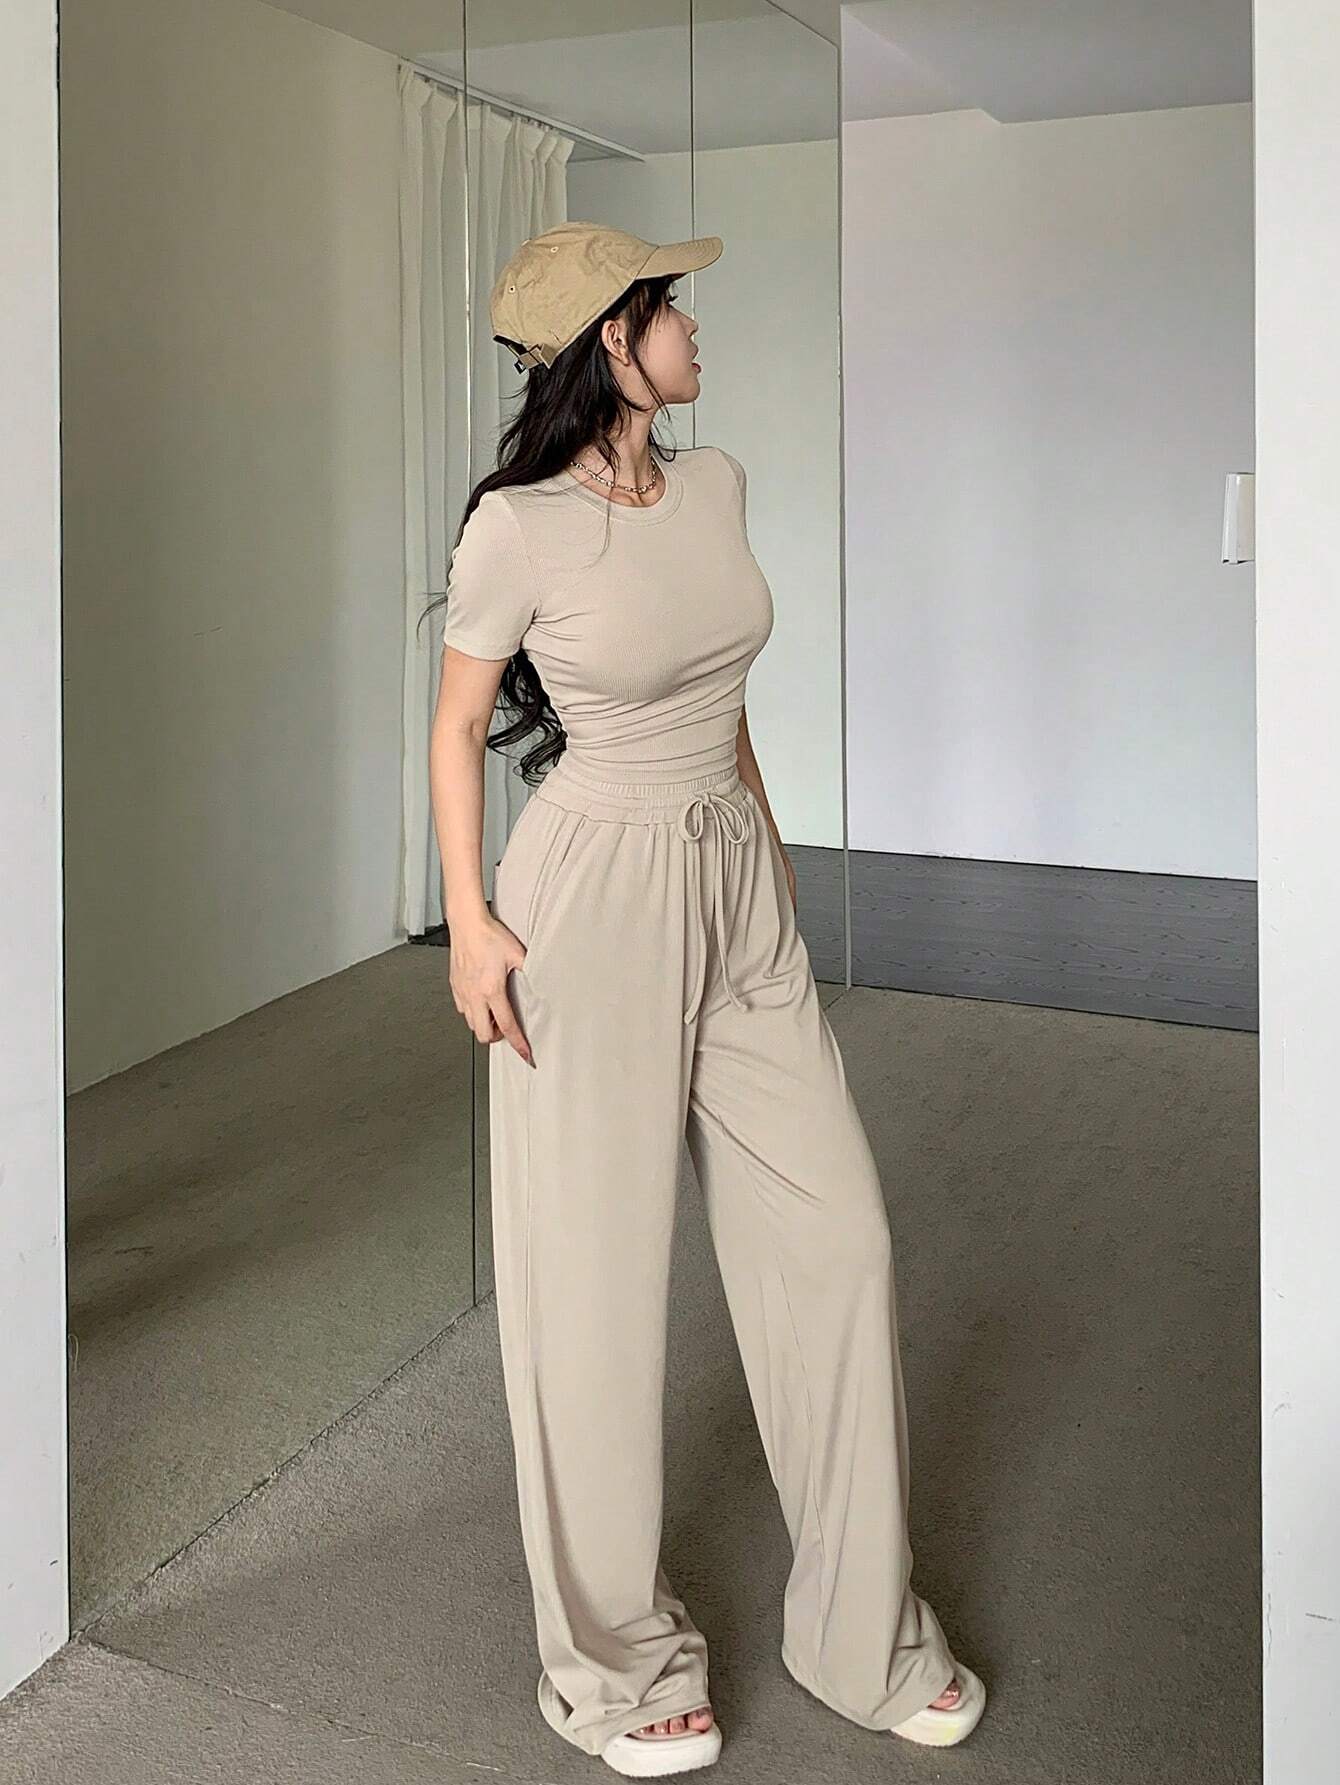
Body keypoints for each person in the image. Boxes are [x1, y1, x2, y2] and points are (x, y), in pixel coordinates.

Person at [425, 221, 986, 1777]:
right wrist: (471, 923)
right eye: (671, 309)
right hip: (587, 895)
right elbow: (458, 725)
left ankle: (860, 1628)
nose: (693, 331)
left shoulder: (718, 482)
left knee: (840, 1237)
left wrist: (769, 848)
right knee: (593, 1290)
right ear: (614, 340)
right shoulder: (518, 528)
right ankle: (615, 1662)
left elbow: (721, 694)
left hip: (736, 880)